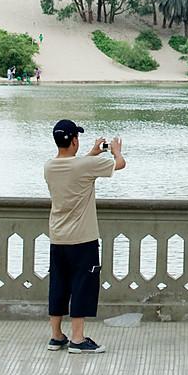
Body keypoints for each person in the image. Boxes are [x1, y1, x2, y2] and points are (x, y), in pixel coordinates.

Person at [44, 119, 126, 353]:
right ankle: (78, 340)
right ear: (74, 140)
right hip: (82, 239)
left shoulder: (49, 167)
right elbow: (119, 164)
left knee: (58, 285)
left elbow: (76, 166)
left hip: (58, 237)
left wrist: (91, 153)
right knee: (82, 285)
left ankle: (56, 336)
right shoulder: (83, 167)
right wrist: (116, 151)